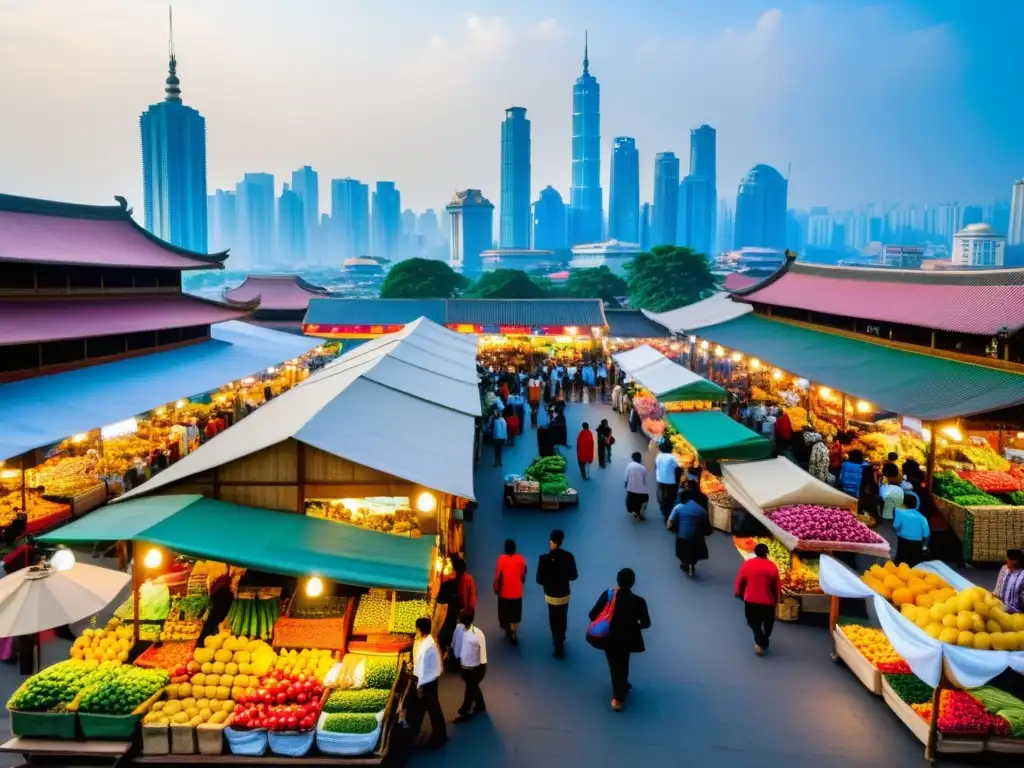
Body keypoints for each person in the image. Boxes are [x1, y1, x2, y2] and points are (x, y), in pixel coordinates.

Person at [588, 568, 651, 712]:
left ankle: (618, 697)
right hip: (628, 638)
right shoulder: (639, 601)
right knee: (623, 661)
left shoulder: (608, 595)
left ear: (617, 581)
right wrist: (635, 625)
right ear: (633, 583)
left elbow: (593, 614)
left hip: (608, 637)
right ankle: (622, 688)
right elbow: (646, 623)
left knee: (614, 665)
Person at [405, 617, 447, 749]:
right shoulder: (429, 641)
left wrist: (419, 687)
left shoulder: (425, 647)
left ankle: (439, 737)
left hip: (427, 682)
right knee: (434, 708)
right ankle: (440, 734)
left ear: (419, 630)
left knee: (433, 709)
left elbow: (421, 670)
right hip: (432, 679)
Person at [536, 529, 578, 657]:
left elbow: (539, 580)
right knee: (562, 616)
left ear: (551, 542)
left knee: (553, 619)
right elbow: (573, 576)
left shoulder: (543, 559)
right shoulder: (569, 557)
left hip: (550, 596)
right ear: (561, 542)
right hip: (564, 595)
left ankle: (557, 644)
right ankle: (562, 637)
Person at [735, 542, 782, 656]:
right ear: (767, 553)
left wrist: (737, 592)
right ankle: (763, 639)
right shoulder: (772, 566)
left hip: (751, 599)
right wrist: (778, 599)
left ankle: (760, 639)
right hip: (768, 601)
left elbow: (739, 580)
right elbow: (777, 585)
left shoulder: (747, 564)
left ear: (755, 552)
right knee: (768, 623)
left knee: (753, 622)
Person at [452, 610, 487, 722]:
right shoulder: (474, 632)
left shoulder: (472, 633)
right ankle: (480, 704)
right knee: (472, 686)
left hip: (473, 668)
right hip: (466, 666)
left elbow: (482, 655)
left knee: (470, 687)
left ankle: (464, 710)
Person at [667, 490, 711, 576]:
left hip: (682, 535)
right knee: (694, 552)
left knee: (682, 552)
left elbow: (670, 521)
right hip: (696, 536)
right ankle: (692, 565)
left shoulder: (678, 507)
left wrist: (669, 527)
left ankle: (685, 564)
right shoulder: (699, 508)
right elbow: (705, 516)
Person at [493, 539, 527, 643]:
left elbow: (498, 576)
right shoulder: (521, 559)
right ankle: (514, 632)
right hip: (517, 593)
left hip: (504, 593)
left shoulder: (501, 559)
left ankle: (507, 627)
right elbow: (523, 575)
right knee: (516, 615)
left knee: (505, 612)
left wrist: (497, 589)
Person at [893, 494, 930, 567]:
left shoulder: (902, 514)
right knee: (914, 560)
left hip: (903, 539)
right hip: (917, 542)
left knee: (901, 558)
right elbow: (926, 532)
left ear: (904, 504)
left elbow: (895, 525)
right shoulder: (922, 517)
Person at [654, 440, 681, 519]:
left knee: (661, 496)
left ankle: (663, 508)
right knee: (671, 497)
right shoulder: (673, 457)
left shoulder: (658, 456)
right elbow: (677, 469)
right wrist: (678, 480)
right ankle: (669, 512)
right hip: (671, 482)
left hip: (660, 480)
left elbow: (656, 467)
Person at [993, 549, 1024, 614]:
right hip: (1001, 609)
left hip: (1017, 614)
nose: (1006, 560)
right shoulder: (1004, 569)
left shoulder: (1022, 576)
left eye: (1008, 558)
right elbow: (998, 588)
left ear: (1015, 561)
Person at [624, 451, 649, 520]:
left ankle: (634, 512)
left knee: (629, 500)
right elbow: (644, 482)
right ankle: (640, 512)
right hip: (642, 493)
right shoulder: (643, 468)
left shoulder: (629, 465)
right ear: (640, 459)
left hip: (631, 491)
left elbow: (626, 477)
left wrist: (626, 484)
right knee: (646, 499)